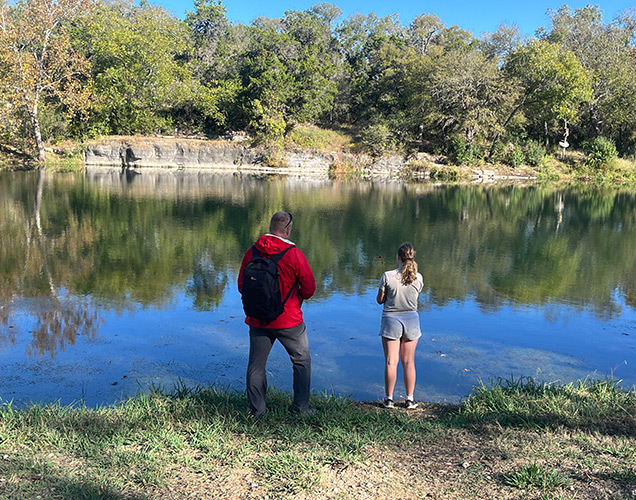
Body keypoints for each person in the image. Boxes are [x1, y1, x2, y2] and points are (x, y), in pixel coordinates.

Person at [238, 211, 316, 417]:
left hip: (258, 319)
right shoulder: (294, 255)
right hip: (289, 320)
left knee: (256, 365)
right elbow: (309, 289)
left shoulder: (252, 252)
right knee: (301, 361)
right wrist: (295, 297)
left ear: (271, 227)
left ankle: (258, 412)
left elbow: (241, 286)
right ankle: (301, 408)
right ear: (288, 230)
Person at [376, 242, 423, 409]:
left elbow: (380, 300)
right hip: (411, 320)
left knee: (391, 361)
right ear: (412, 257)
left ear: (398, 257)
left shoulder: (387, 276)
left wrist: (387, 292)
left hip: (391, 321)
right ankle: (410, 400)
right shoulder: (419, 277)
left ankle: (389, 399)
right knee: (409, 362)